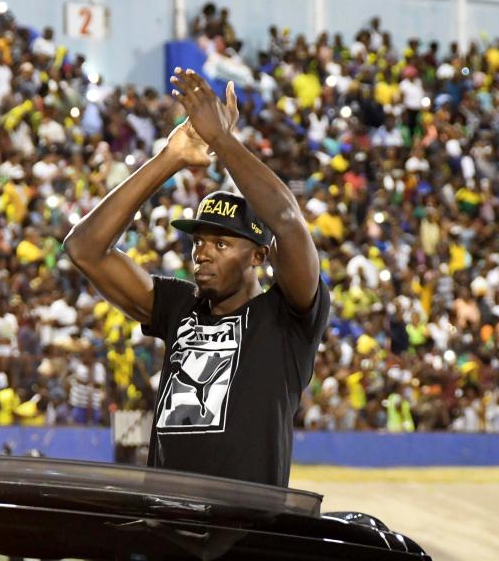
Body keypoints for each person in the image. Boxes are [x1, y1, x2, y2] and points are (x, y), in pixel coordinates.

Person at [65, 69, 329, 486]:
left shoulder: (288, 317)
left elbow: (285, 219)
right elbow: (84, 249)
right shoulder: (178, 305)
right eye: (199, 242)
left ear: (259, 254)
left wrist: (222, 141)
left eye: (222, 244)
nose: (203, 252)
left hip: (245, 534)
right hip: (166, 529)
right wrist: (169, 159)